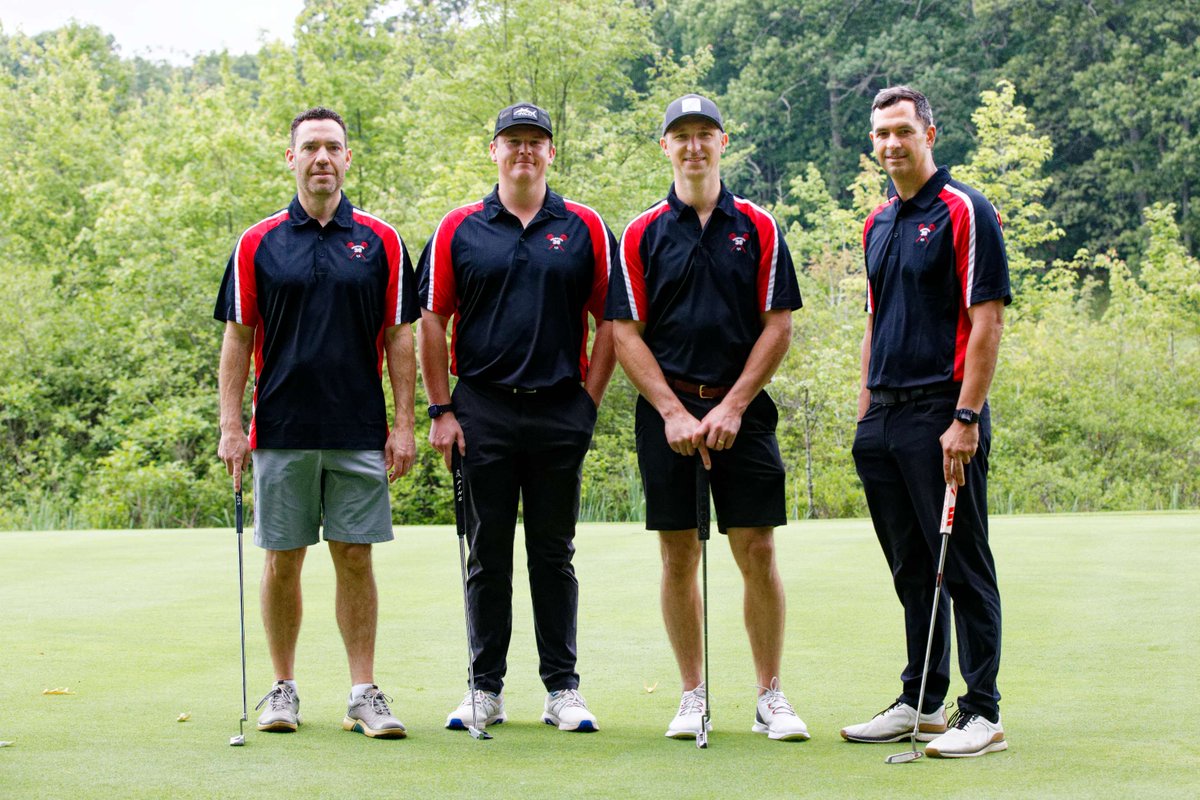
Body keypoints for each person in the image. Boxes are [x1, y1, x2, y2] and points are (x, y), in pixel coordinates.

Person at [607, 94, 808, 742]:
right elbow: (624, 333)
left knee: (757, 548)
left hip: (741, 408)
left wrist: (732, 406)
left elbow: (778, 327)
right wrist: (670, 410)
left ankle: (769, 695)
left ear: (723, 141)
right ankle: (692, 693)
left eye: (704, 134)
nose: (693, 145)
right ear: (665, 146)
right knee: (676, 556)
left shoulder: (759, 226)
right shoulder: (640, 233)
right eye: (680, 135)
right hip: (667, 414)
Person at [215, 106, 418, 740]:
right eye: (311, 148)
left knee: (355, 557)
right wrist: (230, 425)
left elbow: (400, 339)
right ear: (292, 158)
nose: (322, 158)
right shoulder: (258, 241)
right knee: (283, 560)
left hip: (358, 428)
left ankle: (363, 693)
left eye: (333, 147)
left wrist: (404, 424)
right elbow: (238, 338)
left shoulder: (382, 241)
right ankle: (282, 690)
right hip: (280, 430)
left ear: (348, 159)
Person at [416, 102, 616, 734]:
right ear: (494, 150)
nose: (524, 151)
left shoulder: (583, 226)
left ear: (551, 152)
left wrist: (588, 401)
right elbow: (431, 320)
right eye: (513, 141)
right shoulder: (459, 227)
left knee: (553, 554)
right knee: (487, 554)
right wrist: (441, 408)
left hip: (560, 409)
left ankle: (562, 689)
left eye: (536, 141)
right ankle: (485, 689)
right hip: (482, 411)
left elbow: (609, 321)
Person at [841, 86, 1011, 758]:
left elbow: (989, 319)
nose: (890, 144)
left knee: (962, 565)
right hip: (884, 420)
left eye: (902, 131)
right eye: (881, 134)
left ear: (929, 134)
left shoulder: (964, 210)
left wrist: (966, 417)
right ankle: (922, 701)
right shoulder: (877, 223)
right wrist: (864, 417)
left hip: (943, 415)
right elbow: (876, 322)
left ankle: (983, 711)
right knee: (914, 570)